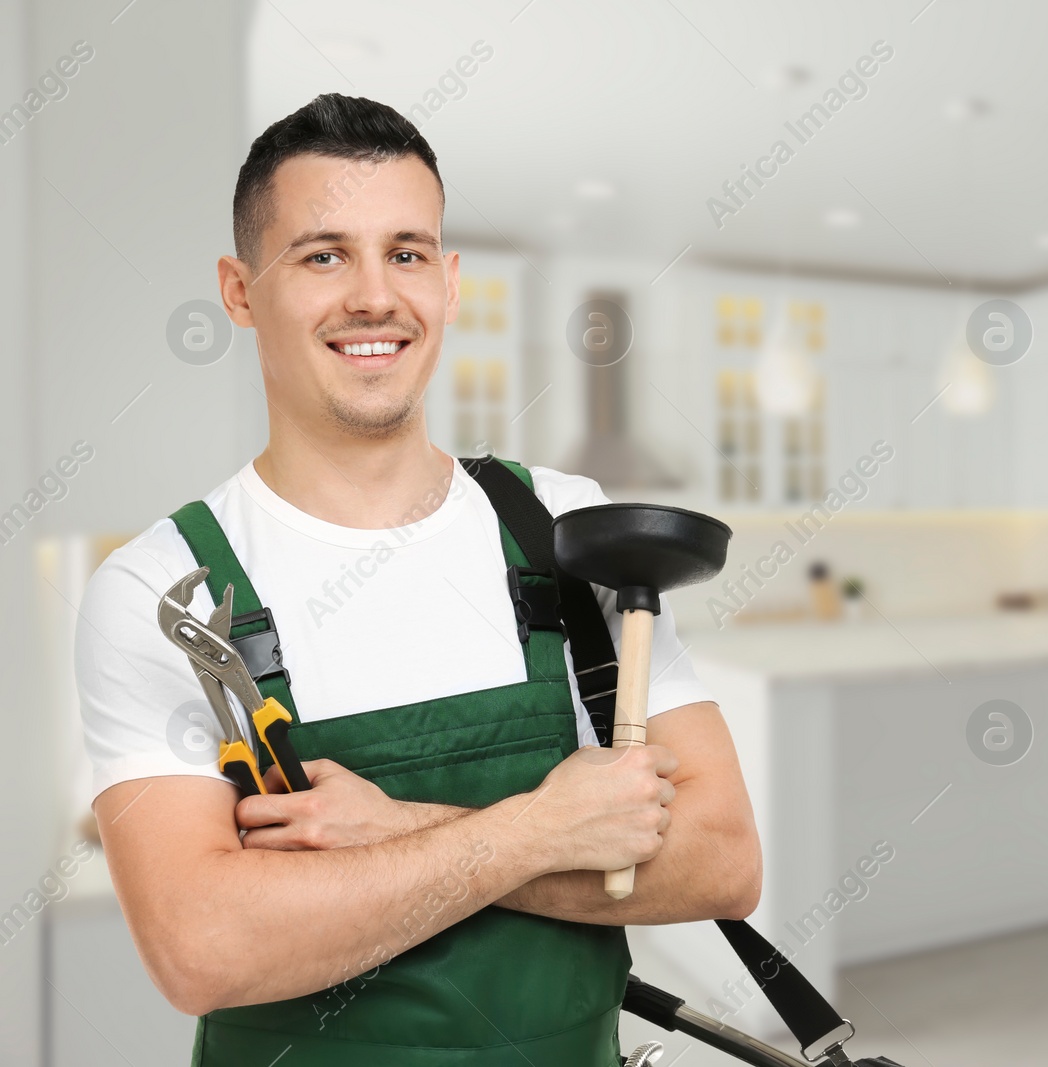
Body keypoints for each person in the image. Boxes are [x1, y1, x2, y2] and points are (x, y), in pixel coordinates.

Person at [74, 92, 761, 1066]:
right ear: (239, 289)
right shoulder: (161, 586)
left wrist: (395, 830)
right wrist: (537, 830)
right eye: (323, 254)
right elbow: (204, 947)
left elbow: (720, 859)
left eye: (405, 253)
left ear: (447, 281)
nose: (373, 297)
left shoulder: (564, 526)